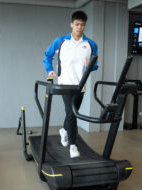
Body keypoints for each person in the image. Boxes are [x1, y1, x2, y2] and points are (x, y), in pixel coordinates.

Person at [42, 10, 98, 158]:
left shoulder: (90, 44)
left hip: (81, 85)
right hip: (64, 83)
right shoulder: (60, 41)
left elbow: (95, 65)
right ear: (71, 24)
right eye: (77, 24)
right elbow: (47, 56)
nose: (80, 27)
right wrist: (50, 70)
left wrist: (89, 65)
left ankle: (64, 131)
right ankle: (73, 145)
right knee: (72, 113)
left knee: (72, 113)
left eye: (83, 25)